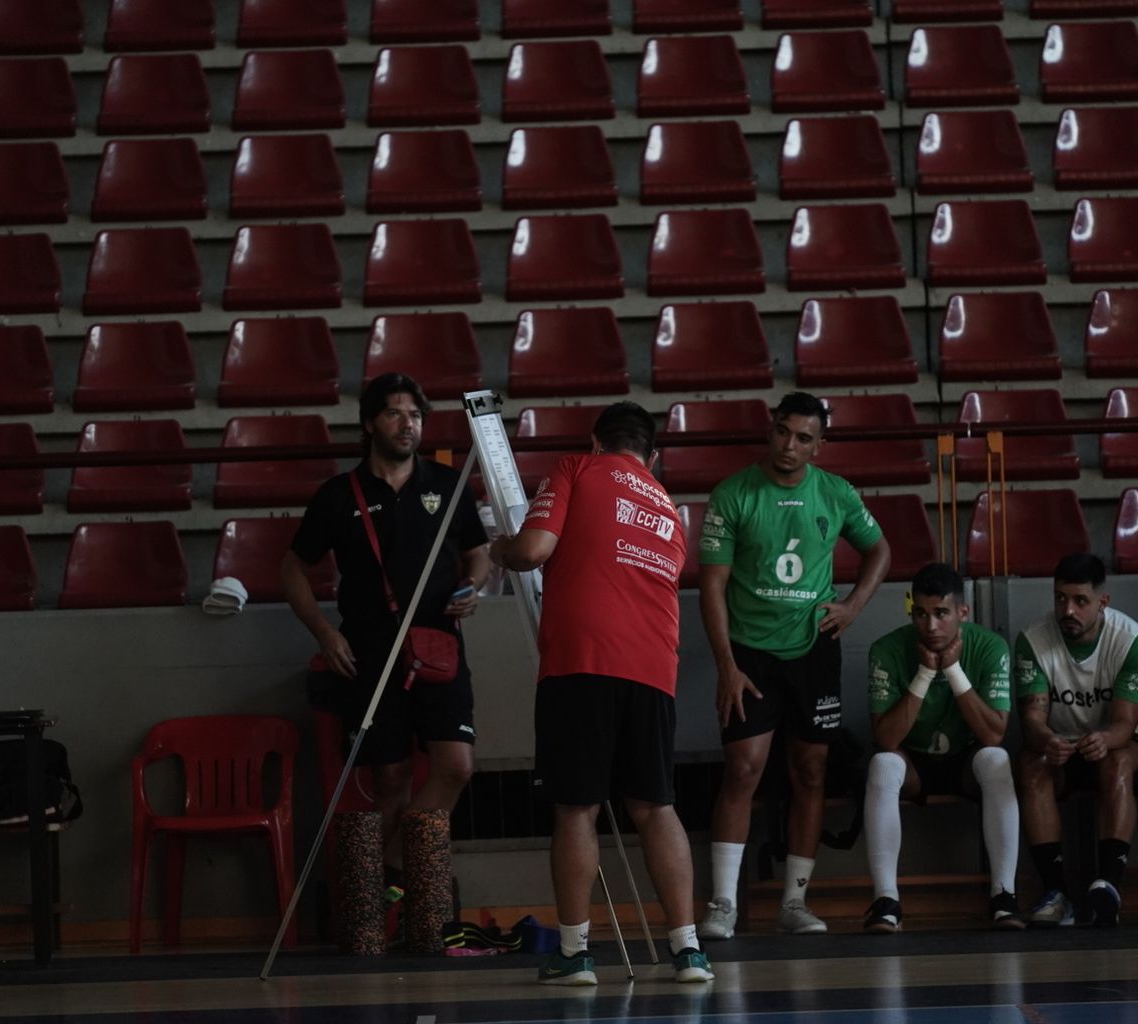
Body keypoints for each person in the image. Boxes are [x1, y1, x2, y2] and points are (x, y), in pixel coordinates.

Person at [490, 401, 714, 986]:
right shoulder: (669, 507)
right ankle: (688, 950)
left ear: (596, 442)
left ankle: (574, 953)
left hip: (583, 662)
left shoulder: (577, 469)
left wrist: (499, 549)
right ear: (652, 455)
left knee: (576, 806)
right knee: (655, 805)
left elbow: (534, 550)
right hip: (654, 667)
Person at [695, 392, 891, 940]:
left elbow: (880, 551)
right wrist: (726, 665)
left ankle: (795, 902)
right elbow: (711, 585)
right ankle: (723, 904)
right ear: (771, 430)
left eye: (804, 438)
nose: (790, 446)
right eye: (783, 432)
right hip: (749, 654)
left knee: (811, 773)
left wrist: (853, 605)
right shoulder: (733, 493)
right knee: (743, 771)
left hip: (813, 651)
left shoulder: (836, 492)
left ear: (819, 446)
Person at [281, 372, 489, 877]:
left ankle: (394, 867)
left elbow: (477, 553)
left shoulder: (446, 483)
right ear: (370, 422)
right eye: (395, 413)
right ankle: (398, 908)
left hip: (440, 645)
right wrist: (325, 634)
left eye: (415, 415)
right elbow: (292, 570)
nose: (407, 424)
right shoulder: (338, 494)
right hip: (370, 652)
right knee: (391, 777)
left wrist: (473, 587)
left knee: (457, 767)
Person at [863, 562, 1021, 933]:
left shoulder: (989, 646)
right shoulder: (886, 649)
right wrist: (923, 674)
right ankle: (886, 901)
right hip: (913, 762)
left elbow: (994, 734)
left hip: (967, 758)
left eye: (941, 614)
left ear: (962, 613)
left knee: (997, 759)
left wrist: (953, 670)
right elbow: (886, 738)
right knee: (883, 763)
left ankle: (1004, 896)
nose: (930, 626)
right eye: (920, 613)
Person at [1015, 553, 1138, 928]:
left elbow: (1126, 723)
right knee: (1031, 762)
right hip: (1062, 745)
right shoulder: (1032, 639)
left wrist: (1106, 739)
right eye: (1060, 598)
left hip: (1115, 742)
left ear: (1102, 603)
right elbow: (1031, 721)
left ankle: (1109, 885)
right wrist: (1046, 739)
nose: (1067, 610)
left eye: (1080, 601)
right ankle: (1056, 892)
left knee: (1118, 761)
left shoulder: (1132, 640)